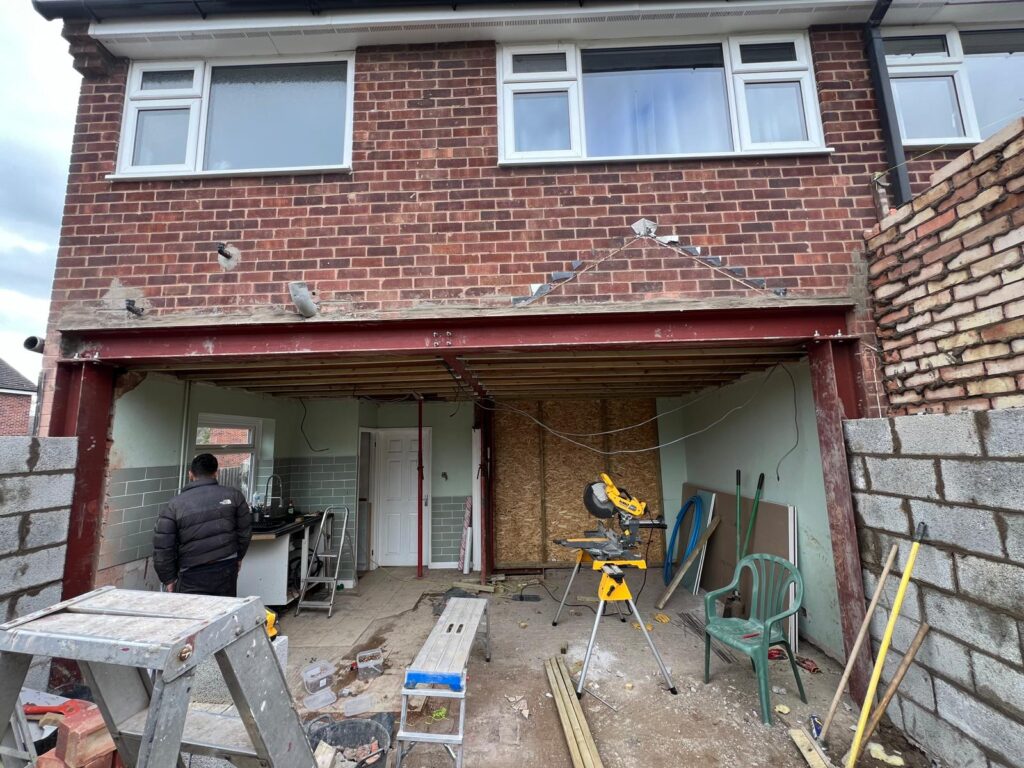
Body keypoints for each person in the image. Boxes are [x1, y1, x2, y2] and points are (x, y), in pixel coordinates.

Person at [153, 453, 252, 596]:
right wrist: (238, 557)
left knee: (194, 615)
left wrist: (168, 579)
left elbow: (163, 546)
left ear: (190, 474)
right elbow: (245, 532)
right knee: (224, 613)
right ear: (216, 473)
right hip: (226, 567)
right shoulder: (234, 496)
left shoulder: (175, 505)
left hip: (191, 573)